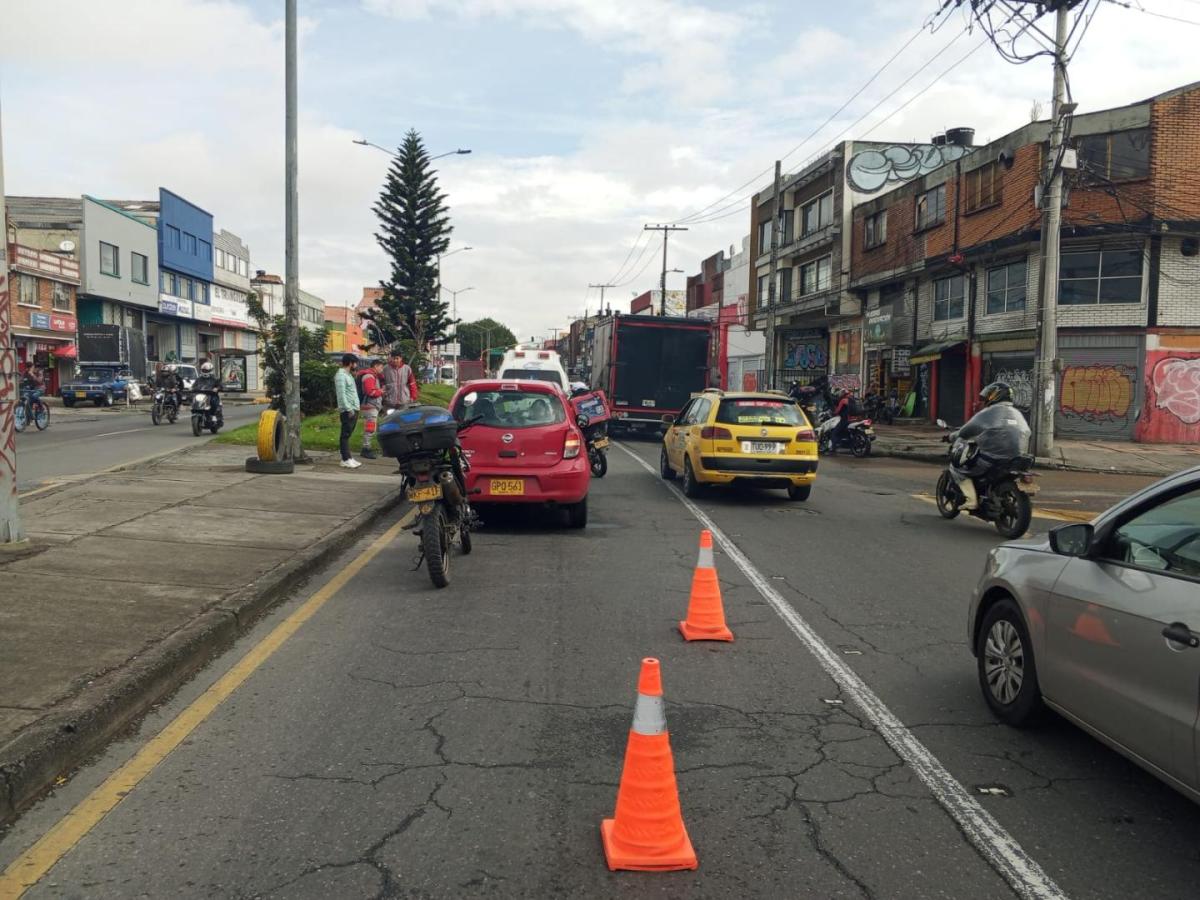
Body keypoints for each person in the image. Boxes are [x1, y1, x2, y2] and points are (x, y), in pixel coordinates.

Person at [947, 382, 1032, 509]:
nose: (986, 399)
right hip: (1017, 459)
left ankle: (971, 500)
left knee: (959, 469)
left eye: (988, 395)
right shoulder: (1017, 413)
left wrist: (951, 437)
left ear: (995, 395)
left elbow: (965, 431)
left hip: (992, 460)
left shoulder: (988, 413)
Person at [334, 354, 361, 468]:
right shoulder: (340, 376)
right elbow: (341, 394)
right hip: (348, 409)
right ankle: (345, 459)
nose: (356, 365)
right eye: (355, 363)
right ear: (350, 363)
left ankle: (348, 457)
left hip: (354, 408)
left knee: (348, 434)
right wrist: (348, 408)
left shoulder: (348, 375)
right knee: (345, 435)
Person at [359, 357, 386, 460]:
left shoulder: (373, 376)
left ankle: (366, 447)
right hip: (370, 406)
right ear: (375, 366)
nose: (382, 369)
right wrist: (381, 392)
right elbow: (370, 392)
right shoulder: (369, 376)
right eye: (381, 367)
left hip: (371, 405)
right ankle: (366, 448)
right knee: (370, 429)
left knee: (371, 427)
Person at [830, 389, 853, 454]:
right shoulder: (853, 400)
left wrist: (833, 413)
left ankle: (833, 449)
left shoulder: (843, 400)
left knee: (834, 433)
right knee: (845, 432)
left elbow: (837, 410)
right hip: (854, 420)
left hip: (845, 420)